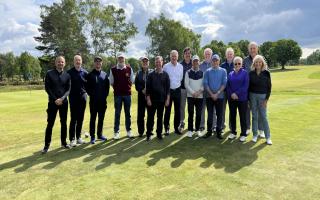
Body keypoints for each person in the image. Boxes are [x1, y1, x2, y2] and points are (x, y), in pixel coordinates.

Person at [42, 56, 71, 153]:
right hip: (52, 103)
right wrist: (55, 99)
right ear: (55, 63)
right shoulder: (49, 74)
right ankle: (46, 146)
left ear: (64, 63)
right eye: (58, 62)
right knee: (50, 124)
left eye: (62, 62)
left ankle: (64, 143)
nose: (60, 63)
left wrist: (62, 98)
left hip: (64, 102)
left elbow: (68, 89)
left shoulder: (67, 75)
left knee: (64, 123)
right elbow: (47, 88)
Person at [109, 53, 134, 139]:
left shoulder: (129, 69)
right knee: (117, 114)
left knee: (128, 113)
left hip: (127, 94)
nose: (121, 59)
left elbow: (132, 80)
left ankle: (129, 130)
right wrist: (117, 88)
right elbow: (111, 82)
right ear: (117, 59)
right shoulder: (113, 69)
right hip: (118, 95)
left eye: (122, 58)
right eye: (119, 58)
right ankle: (116, 132)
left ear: (124, 59)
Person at [249, 55, 272, 145]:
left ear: (262, 63)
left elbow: (269, 88)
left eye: (260, 62)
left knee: (263, 117)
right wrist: (248, 99)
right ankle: (255, 135)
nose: (258, 64)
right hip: (252, 96)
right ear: (254, 63)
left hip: (262, 97)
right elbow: (249, 87)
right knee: (254, 116)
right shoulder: (251, 73)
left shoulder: (266, 73)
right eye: (256, 62)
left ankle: (268, 137)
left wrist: (266, 99)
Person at [145, 56, 170, 141]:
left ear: (162, 62)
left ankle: (159, 133)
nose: (158, 64)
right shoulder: (150, 75)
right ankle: (149, 134)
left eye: (159, 62)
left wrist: (167, 99)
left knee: (160, 118)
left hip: (162, 100)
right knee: (150, 118)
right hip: (152, 100)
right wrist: (148, 99)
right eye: (156, 62)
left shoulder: (166, 75)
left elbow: (167, 89)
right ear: (155, 63)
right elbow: (147, 88)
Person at [202, 54, 227, 140]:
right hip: (209, 96)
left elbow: (224, 83)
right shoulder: (207, 71)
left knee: (219, 115)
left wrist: (217, 93)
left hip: (220, 97)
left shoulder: (223, 71)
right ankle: (209, 131)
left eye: (216, 60)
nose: (215, 62)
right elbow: (205, 84)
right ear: (211, 61)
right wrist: (212, 94)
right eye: (213, 60)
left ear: (219, 61)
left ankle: (219, 131)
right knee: (210, 114)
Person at [243, 42, 265, 137]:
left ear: (257, 49)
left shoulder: (261, 59)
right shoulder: (245, 60)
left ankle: (261, 130)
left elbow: (266, 74)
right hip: (248, 89)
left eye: (254, 48)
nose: (252, 50)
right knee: (247, 109)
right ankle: (248, 128)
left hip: (260, 90)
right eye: (251, 48)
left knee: (260, 110)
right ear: (248, 50)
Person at [86, 56, 110, 144]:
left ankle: (100, 134)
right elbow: (87, 88)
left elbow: (107, 88)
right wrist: (92, 95)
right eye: (96, 62)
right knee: (93, 119)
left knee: (101, 118)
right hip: (93, 101)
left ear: (101, 63)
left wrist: (104, 96)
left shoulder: (104, 74)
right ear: (94, 63)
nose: (98, 64)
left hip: (102, 102)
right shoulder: (90, 75)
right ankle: (92, 136)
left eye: (99, 62)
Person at [226, 56, 249, 141]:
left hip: (242, 99)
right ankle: (233, 132)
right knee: (232, 116)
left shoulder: (245, 73)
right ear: (233, 64)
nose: (237, 65)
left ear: (242, 64)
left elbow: (245, 86)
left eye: (239, 63)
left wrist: (236, 93)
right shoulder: (230, 73)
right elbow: (228, 86)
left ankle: (243, 134)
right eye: (235, 63)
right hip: (232, 99)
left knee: (242, 116)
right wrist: (232, 94)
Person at [67, 55, 88, 147]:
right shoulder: (69, 73)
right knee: (73, 119)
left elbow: (88, 85)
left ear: (81, 61)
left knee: (80, 118)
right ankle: (72, 139)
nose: (78, 62)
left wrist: (87, 93)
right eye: (76, 60)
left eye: (79, 60)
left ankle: (78, 137)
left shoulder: (85, 73)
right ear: (74, 61)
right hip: (73, 98)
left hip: (83, 98)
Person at [163, 50, 184, 135]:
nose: (174, 58)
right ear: (170, 57)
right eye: (172, 56)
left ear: (177, 57)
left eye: (175, 56)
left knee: (177, 111)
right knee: (167, 110)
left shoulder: (181, 66)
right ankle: (167, 129)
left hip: (178, 90)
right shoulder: (166, 66)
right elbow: (164, 79)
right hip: (168, 91)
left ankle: (176, 128)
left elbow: (181, 78)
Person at [184, 55, 204, 138]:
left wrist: (198, 92)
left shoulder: (202, 73)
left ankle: (198, 129)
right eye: (194, 61)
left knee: (199, 114)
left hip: (200, 96)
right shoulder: (188, 72)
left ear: (199, 62)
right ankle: (190, 130)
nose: (195, 62)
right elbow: (186, 84)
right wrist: (193, 93)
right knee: (191, 113)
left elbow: (203, 85)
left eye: (197, 61)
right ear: (192, 62)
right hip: (190, 96)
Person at [135, 56, 153, 137]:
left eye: (146, 62)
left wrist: (148, 91)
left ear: (148, 63)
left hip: (150, 97)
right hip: (141, 97)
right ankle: (141, 131)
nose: (145, 63)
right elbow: (136, 85)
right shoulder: (138, 73)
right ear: (141, 63)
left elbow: (154, 84)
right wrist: (141, 90)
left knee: (150, 114)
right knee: (141, 115)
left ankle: (150, 130)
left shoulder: (152, 72)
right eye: (143, 62)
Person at [199, 48, 216, 132]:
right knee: (202, 109)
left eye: (209, 54)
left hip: (211, 91)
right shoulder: (200, 65)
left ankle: (213, 125)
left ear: (211, 55)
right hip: (202, 91)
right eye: (206, 54)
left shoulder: (214, 65)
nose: (207, 55)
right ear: (204, 55)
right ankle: (201, 125)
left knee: (212, 109)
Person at [220, 47, 235, 131]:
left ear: (233, 55)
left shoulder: (236, 64)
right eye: (228, 54)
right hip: (224, 91)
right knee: (222, 109)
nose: (229, 55)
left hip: (232, 91)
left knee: (232, 109)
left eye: (231, 54)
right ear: (226, 55)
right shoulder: (222, 65)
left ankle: (232, 127)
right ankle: (222, 125)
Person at [179, 47, 192, 132]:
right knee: (182, 107)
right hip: (183, 89)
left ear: (191, 55)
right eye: (186, 53)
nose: (187, 55)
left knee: (191, 107)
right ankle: (182, 122)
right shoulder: (180, 64)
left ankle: (191, 124)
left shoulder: (194, 63)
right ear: (183, 55)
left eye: (189, 53)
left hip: (192, 89)